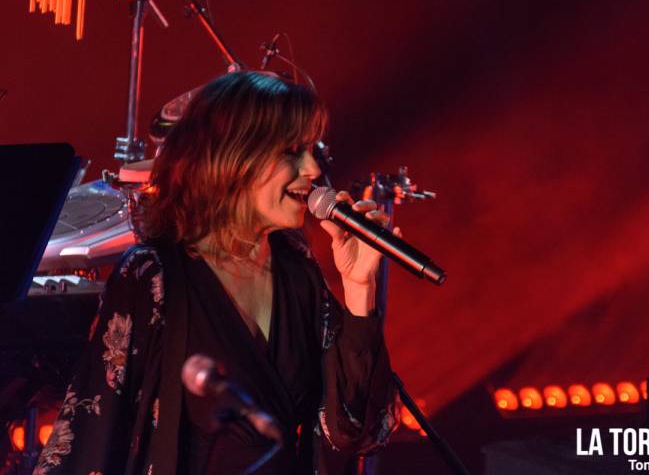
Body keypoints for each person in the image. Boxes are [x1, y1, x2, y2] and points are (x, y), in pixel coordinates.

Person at [33, 71, 399, 475]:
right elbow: (90, 435)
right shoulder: (153, 277)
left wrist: (358, 285)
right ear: (232, 158)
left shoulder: (297, 268)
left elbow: (355, 429)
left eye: (311, 150)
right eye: (292, 151)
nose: (312, 168)